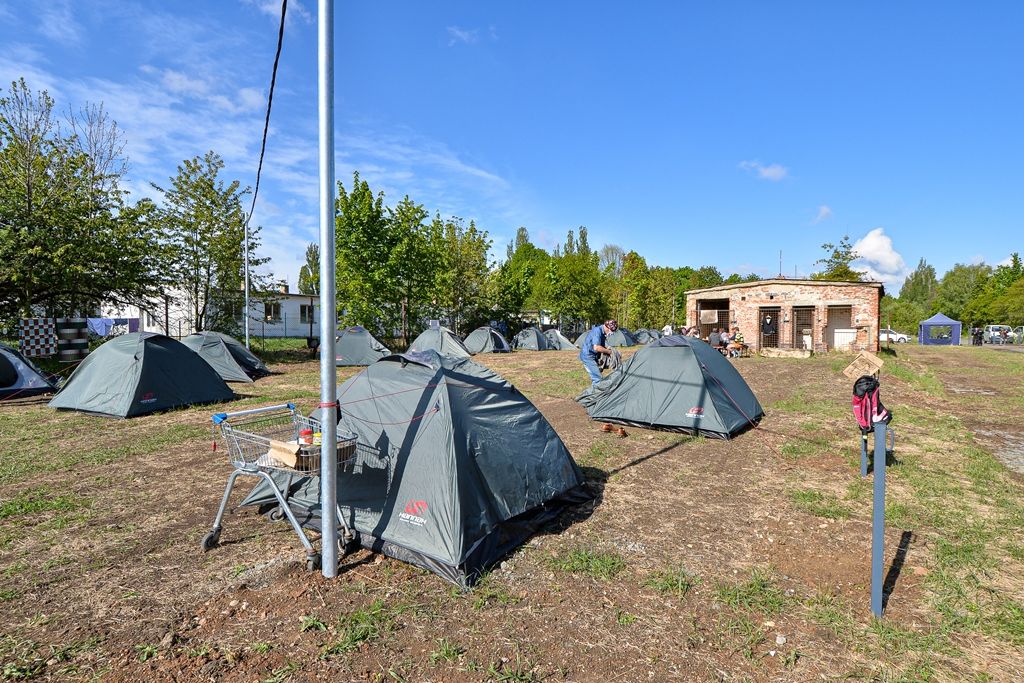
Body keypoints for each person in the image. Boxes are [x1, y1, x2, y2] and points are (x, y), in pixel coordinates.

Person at [579, 319, 617, 384]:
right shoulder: (597, 331)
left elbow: (602, 345)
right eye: (610, 331)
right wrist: (609, 352)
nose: (610, 333)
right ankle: (596, 393)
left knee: (597, 376)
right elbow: (596, 347)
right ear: (607, 327)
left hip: (594, 356)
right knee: (597, 379)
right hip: (588, 356)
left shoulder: (603, 333)